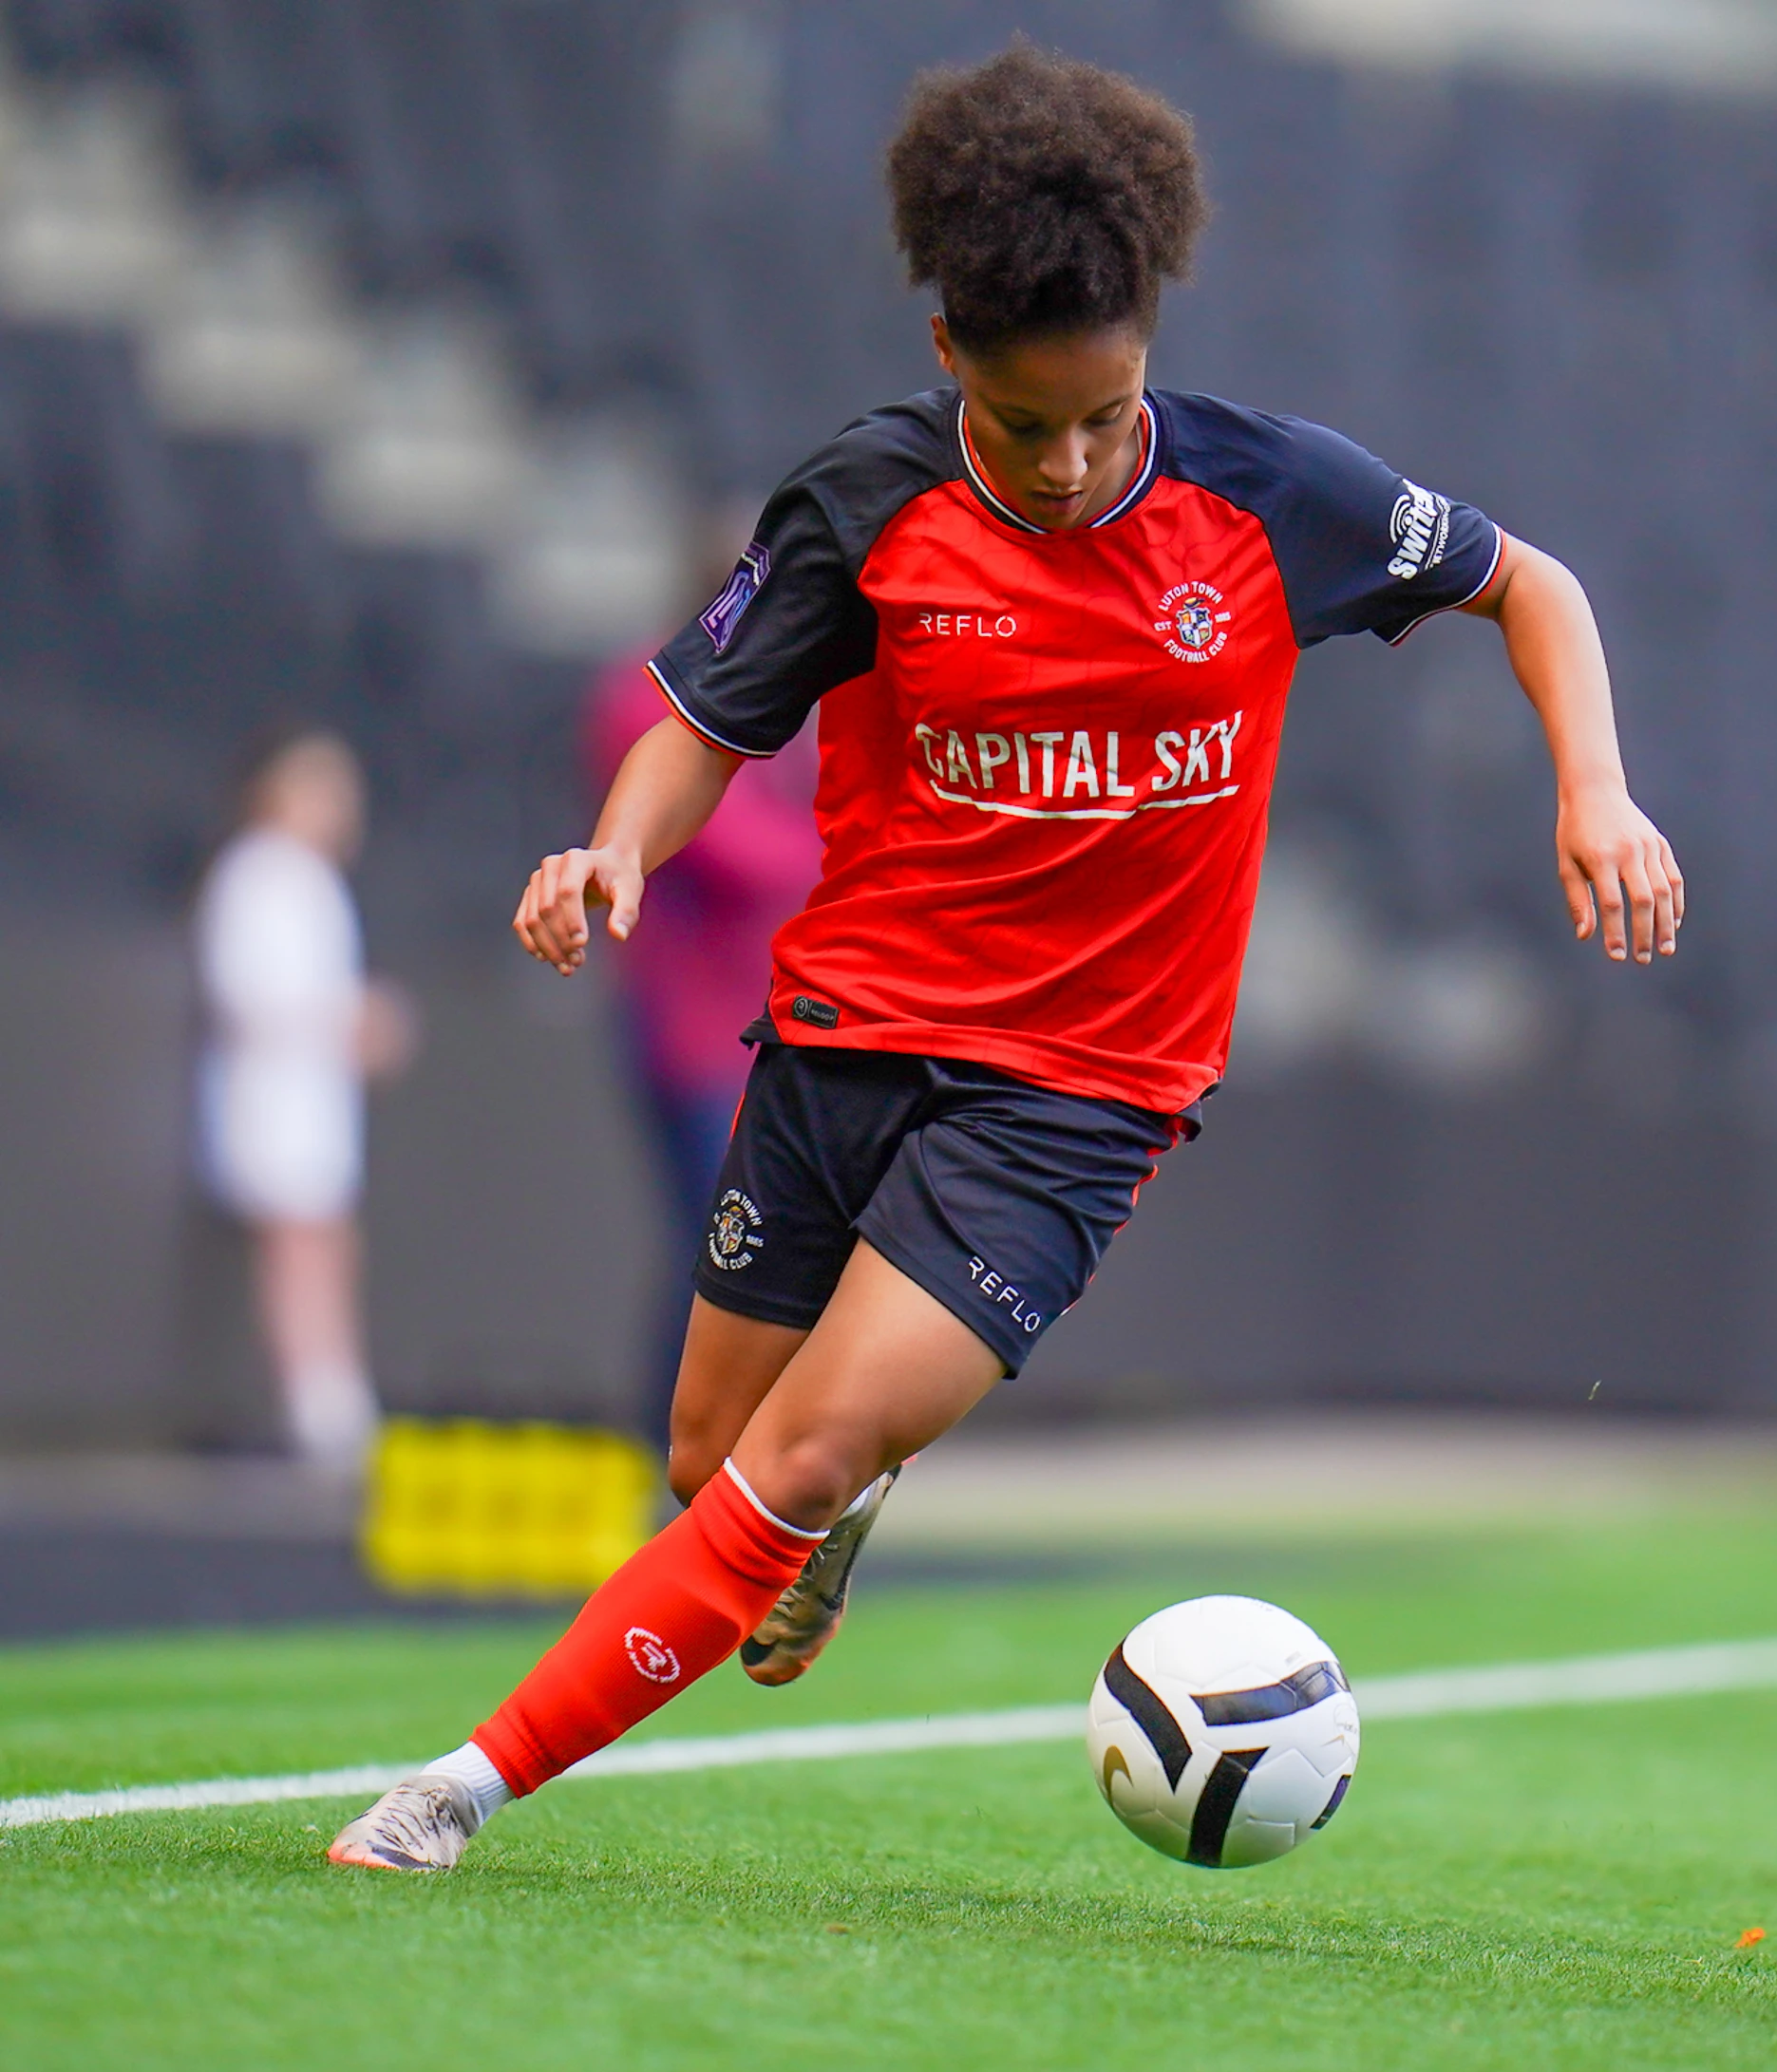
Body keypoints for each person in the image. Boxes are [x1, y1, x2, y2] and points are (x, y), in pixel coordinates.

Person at [328, 45, 1682, 1872]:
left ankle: (460, 1787)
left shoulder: (1273, 493)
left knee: (783, 1469)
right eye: (1031, 421)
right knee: (711, 1461)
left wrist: (1593, 789)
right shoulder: (864, 502)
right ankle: (834, 1498)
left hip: (1074, 1100)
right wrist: (613, 849)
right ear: (949, 349)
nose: (1070, 462)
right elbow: (700, 711)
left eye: (1107, 417)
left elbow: (1536, 583)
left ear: (1147, 350)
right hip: (841, 1037)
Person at [583, 586, 822, 1447]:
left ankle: (712, 1438)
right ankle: (679, 1437)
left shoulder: (788, 686)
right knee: (719, 1234)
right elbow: (723, 843)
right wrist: (846, 844)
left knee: (748, 1237)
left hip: (778, 1017)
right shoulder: (643, 689)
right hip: (689, 1025)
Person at [196, 731, 412, 1467]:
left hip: (316, 1105)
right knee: (296, 1247)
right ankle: (315, 1408)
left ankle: (335, 1398)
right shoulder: (254, 875)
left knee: (326, 1244)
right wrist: (342, 1019)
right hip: (271, 1103)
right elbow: (248, 991)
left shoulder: (312, 881)